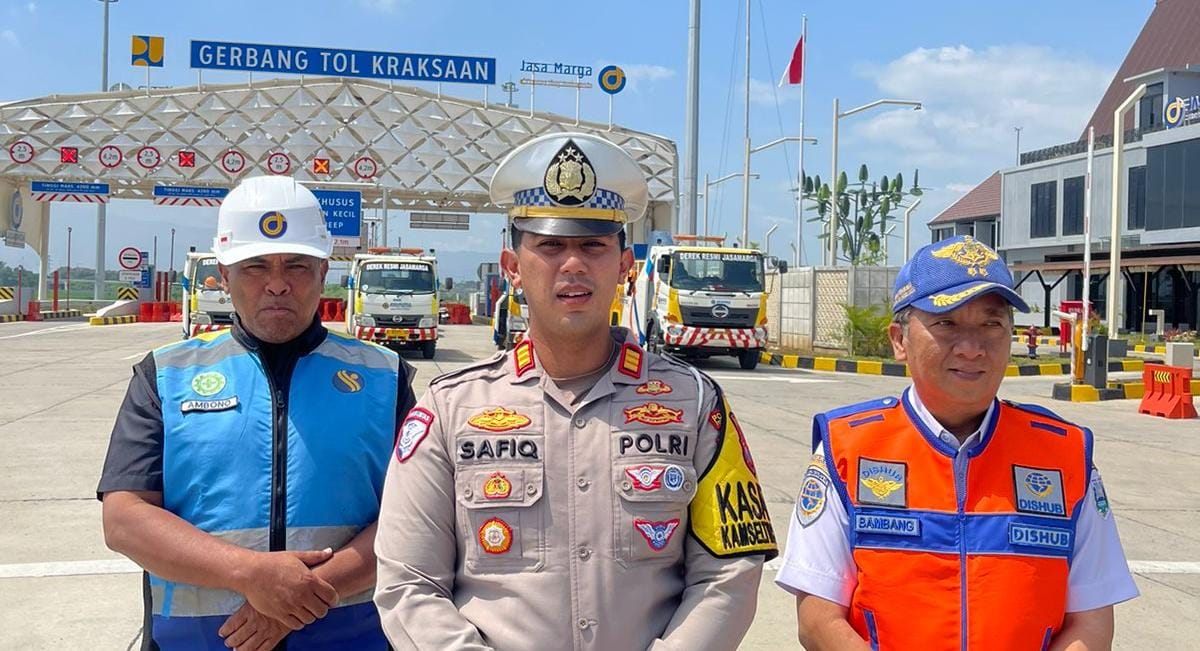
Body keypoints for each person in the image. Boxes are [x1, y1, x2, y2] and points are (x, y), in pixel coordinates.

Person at [374, 132, 777, 650]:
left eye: (593, 245)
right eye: (550, 245)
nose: (573, 264)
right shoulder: (450, 409)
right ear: (512, 268)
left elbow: (729, 572)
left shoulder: (697, 404)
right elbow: (410, 583)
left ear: (625, 267)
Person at [98, 175, 416, 650]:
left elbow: (416, 517)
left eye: (297, 265)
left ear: (324, 271)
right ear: (223, 276)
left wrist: (298, 599)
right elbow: (124, 518)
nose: (277, 284)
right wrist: (250, 575)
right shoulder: (165, 376)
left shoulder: (385, 379)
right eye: (254, 266)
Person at [775, 234, 1138, 650]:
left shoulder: (1065, 455)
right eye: (946, 323)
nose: (971, 348)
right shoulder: (847, 449)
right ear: (900, 339)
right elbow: (818, 619)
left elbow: (1091, 625)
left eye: (991, 323)